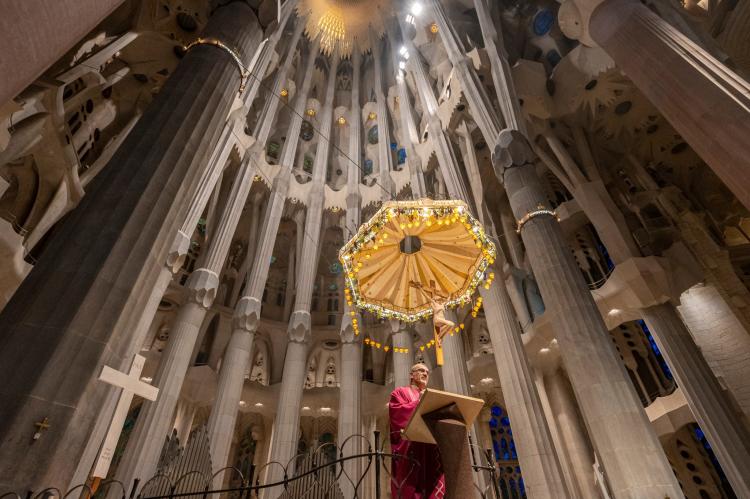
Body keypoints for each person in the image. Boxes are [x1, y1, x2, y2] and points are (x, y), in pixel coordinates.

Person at [388, 363, 445, 498]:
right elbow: (397, 415)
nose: (425, 374)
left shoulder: (430, 395)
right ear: (411, 375)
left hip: (431, 447)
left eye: (427, 372)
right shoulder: (400, 392)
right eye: (421, 370)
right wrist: (420, 400)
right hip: (411, 449)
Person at [409, 280, 455, 346]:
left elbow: (447, 300)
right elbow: (426, 296)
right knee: (451, 324)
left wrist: (450, 295)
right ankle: (440, 336)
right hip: (437, 320)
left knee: (452, 325)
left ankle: (440, 338)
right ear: (436, 300)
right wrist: (420, 288)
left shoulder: (442, 305)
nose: (440, 300)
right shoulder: (434, 303)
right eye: (439, 299)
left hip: (442, 322)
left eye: (440, 299)